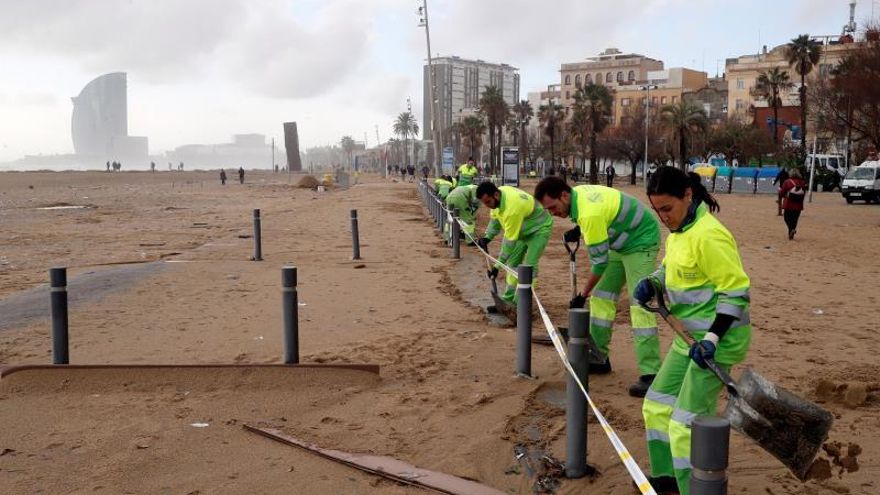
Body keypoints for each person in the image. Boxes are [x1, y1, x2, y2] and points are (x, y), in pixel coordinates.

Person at [634, 167, 751, 495]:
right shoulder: (679, 234)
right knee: (655, 406)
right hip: (687, 339)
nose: (663, 218)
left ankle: (692, 490)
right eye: (657, 211)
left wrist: (712, 340)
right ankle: (667, 478)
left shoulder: (710, 235)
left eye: (667, 209)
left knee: (684, 424)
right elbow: (671, 269)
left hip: (718, 342)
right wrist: (654, 282)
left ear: (688, 195)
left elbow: (736, 292)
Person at [534, 177, 662, 397]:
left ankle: (651, 374)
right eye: (547, 210)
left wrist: (582, 295)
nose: (552, 213)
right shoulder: (578, 196)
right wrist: (578, 228)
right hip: (619, 242)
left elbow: (599, 264)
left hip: (641, 241)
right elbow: (600, 215)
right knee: (602, 297)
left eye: (553, 207)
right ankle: (598, 357)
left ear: (564, 196)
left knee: (640, 305)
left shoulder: (589, 214)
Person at [476, 182, 553, 304]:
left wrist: (496, 267)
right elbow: (495, 220)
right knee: (512, 262)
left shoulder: (512, 209)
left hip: (539, 229)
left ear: (496, 194)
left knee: (529, 266)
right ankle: (508, 300)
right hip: (522, 231)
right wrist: (487, 237)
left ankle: (520, 303)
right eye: (484, 203)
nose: (487, 206)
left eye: (488, 202)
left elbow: (509, 243)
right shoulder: (498, 197)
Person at [779, 168, 806, 240]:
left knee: (786, 218)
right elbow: (803, 194)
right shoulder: (802, 182)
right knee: (795, 219)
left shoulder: (787, 182)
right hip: (798, 204)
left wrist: (780, 192)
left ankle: (791, 230)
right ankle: (792, 231)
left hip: (789, 203)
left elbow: (782, 193)